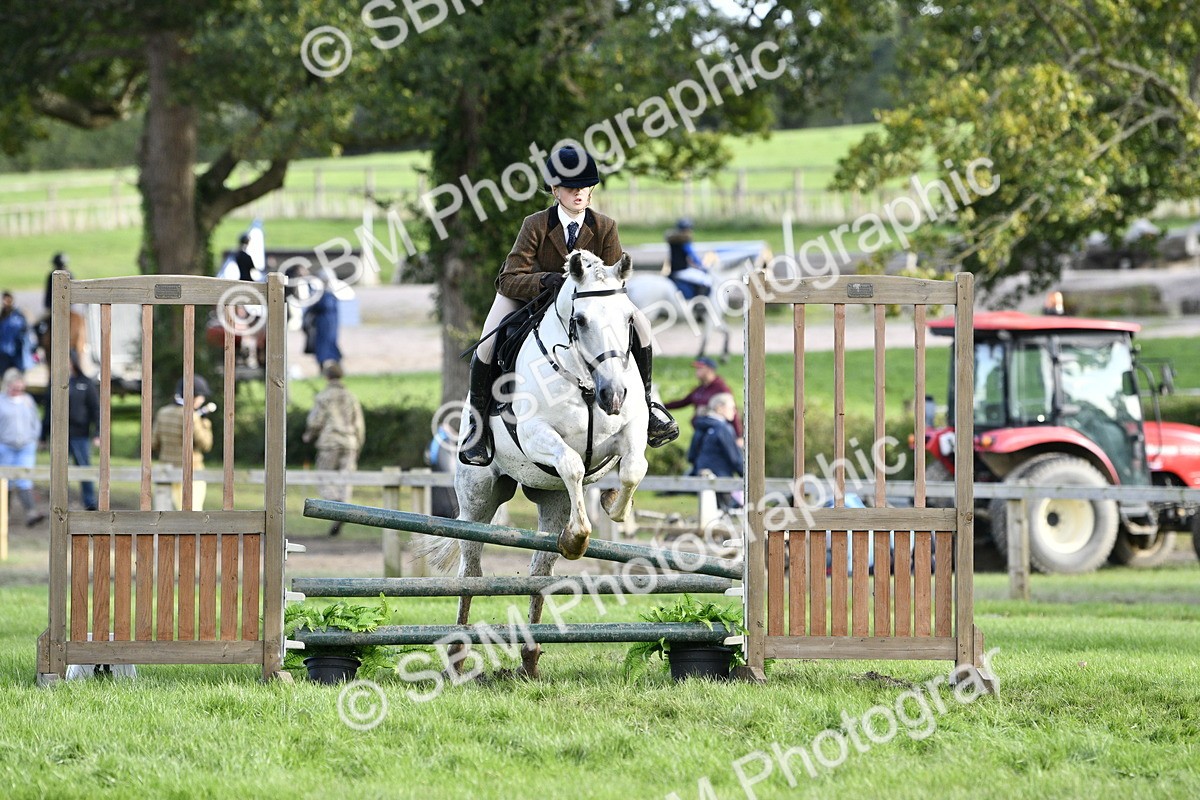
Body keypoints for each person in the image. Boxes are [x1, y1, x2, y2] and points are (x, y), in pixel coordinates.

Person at [458, 145, 679, 466]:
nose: (578, 194)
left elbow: (615, 275)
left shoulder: (605, 226)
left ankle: (648, 405)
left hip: (591, 304)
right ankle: (478, 429)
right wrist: (546, 280)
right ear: (555, 190)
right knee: (489, 342)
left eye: (584, 188)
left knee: (641, 325)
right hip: (531, 298)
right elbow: (509, 278)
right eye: (571, 188)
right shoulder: (535, 224)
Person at [302, 360, 365, 536]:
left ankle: (336, 504)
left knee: (323, 477)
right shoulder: (351, 397)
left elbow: (315, 421)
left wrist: (309, 435)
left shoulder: (324, 397)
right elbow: (359, 424)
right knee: (346, 479)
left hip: (330, 442)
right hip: (350, 443)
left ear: (326, 376)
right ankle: (344, 507)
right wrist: (357, 444)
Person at [151, 375, 214, 511]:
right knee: (191, 515)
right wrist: (205, 422)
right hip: (191, 472)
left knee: (164, 516)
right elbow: (206, 444)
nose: (202, 400)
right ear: (194, 396)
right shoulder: (192, 416)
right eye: (201, 396)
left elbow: (154, 443)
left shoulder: (163, 412)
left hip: (166, 470)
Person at [0, 369, 46, 526]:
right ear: (8, 385)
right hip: (5, 446)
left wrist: (34, 437)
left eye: (20, 388)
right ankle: (3, 516)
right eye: (15, 388)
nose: (18, 391)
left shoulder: (28, 400)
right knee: (5, 481)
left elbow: (35, 421)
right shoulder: (1, 401)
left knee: (24, 480)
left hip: (26, 446)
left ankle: (31, 513)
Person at [686, 392, 744, 510]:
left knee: (709, 514)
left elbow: (691, 455)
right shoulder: (722, 428)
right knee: (726, 516)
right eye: (732, 407)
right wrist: (747, 475)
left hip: (701, 475)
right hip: (722, 478)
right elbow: (734, 457)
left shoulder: (701, 425)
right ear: (719, 408)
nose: (734, 411)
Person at [664, 356, 743, 440]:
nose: (696, 371)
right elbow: (682, 402)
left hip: (718, 435)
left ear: (709, 370)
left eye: (700, 368)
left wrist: (738, 436)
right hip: (701, 433)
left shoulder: (721, 388)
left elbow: (732, 411)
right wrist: (660, 406)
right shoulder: (700, 389)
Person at [64, 351, 100, 511]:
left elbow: (95, 410)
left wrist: (98, 433)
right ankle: (62, 502)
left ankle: (90, 502)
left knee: (84, 468)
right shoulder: (58, 382)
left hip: (81, 434)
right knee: (60, 470)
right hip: (62, 435)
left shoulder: (86, 383)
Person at [665, 219, 712, 300]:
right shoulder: (684, 241)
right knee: (706, 280)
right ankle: (699, 303)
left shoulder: (673, 240)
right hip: (682, 270)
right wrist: (702, 265)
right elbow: (693, 256)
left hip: (673, 270)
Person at [302, 271, 342, 369]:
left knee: (327, 345)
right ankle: (326, 367)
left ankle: (333, 367)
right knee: (323, 345)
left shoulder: (327, 296)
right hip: (323, 324)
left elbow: (323, 306)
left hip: (326, 324)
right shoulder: (324, 294)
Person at [0, 291, 32, 376]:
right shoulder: (2, 315)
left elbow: (25, 330)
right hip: (3, 352)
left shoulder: (18, 314)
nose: (6, 302)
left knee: (18, 375)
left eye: (8, 299)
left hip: (17, 351)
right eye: (4, 299)